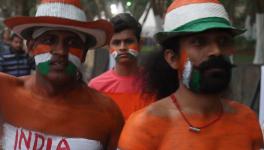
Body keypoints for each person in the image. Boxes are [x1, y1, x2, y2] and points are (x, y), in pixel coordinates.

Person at [118, 0, 264, 149]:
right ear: (172, 58)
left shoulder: (246, 121)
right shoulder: (145, 126)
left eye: (223, 41)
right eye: (199, 42)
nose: (216, 51)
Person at [0, 0, 124, 149]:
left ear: (83, 54)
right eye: (49, 40)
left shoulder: (107, 114)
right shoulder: (5, 92)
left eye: (72, 43)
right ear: (31, 47)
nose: (61, 51)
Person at [89, 13, 154, 119]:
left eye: (128, 41)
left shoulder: (154, 83)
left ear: (140, 44)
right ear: (109, 47)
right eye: (116, 43)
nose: (122, 47)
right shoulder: (95, 87)